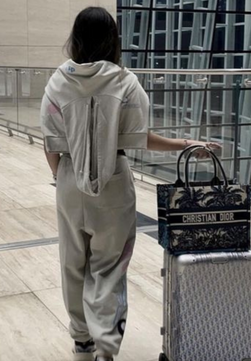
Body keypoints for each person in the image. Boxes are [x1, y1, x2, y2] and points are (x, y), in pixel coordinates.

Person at [41, 7, 221, 361]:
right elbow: (141, 138)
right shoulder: (125, 81)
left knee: (72, 263)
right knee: (109, 266)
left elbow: (51, 143)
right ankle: (106, 347)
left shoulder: (58, 81)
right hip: (115, 181)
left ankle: (81, 343)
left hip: (68, 180)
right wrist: (187, 144)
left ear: (75, 39)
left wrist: (61, 179)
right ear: (113, 39)